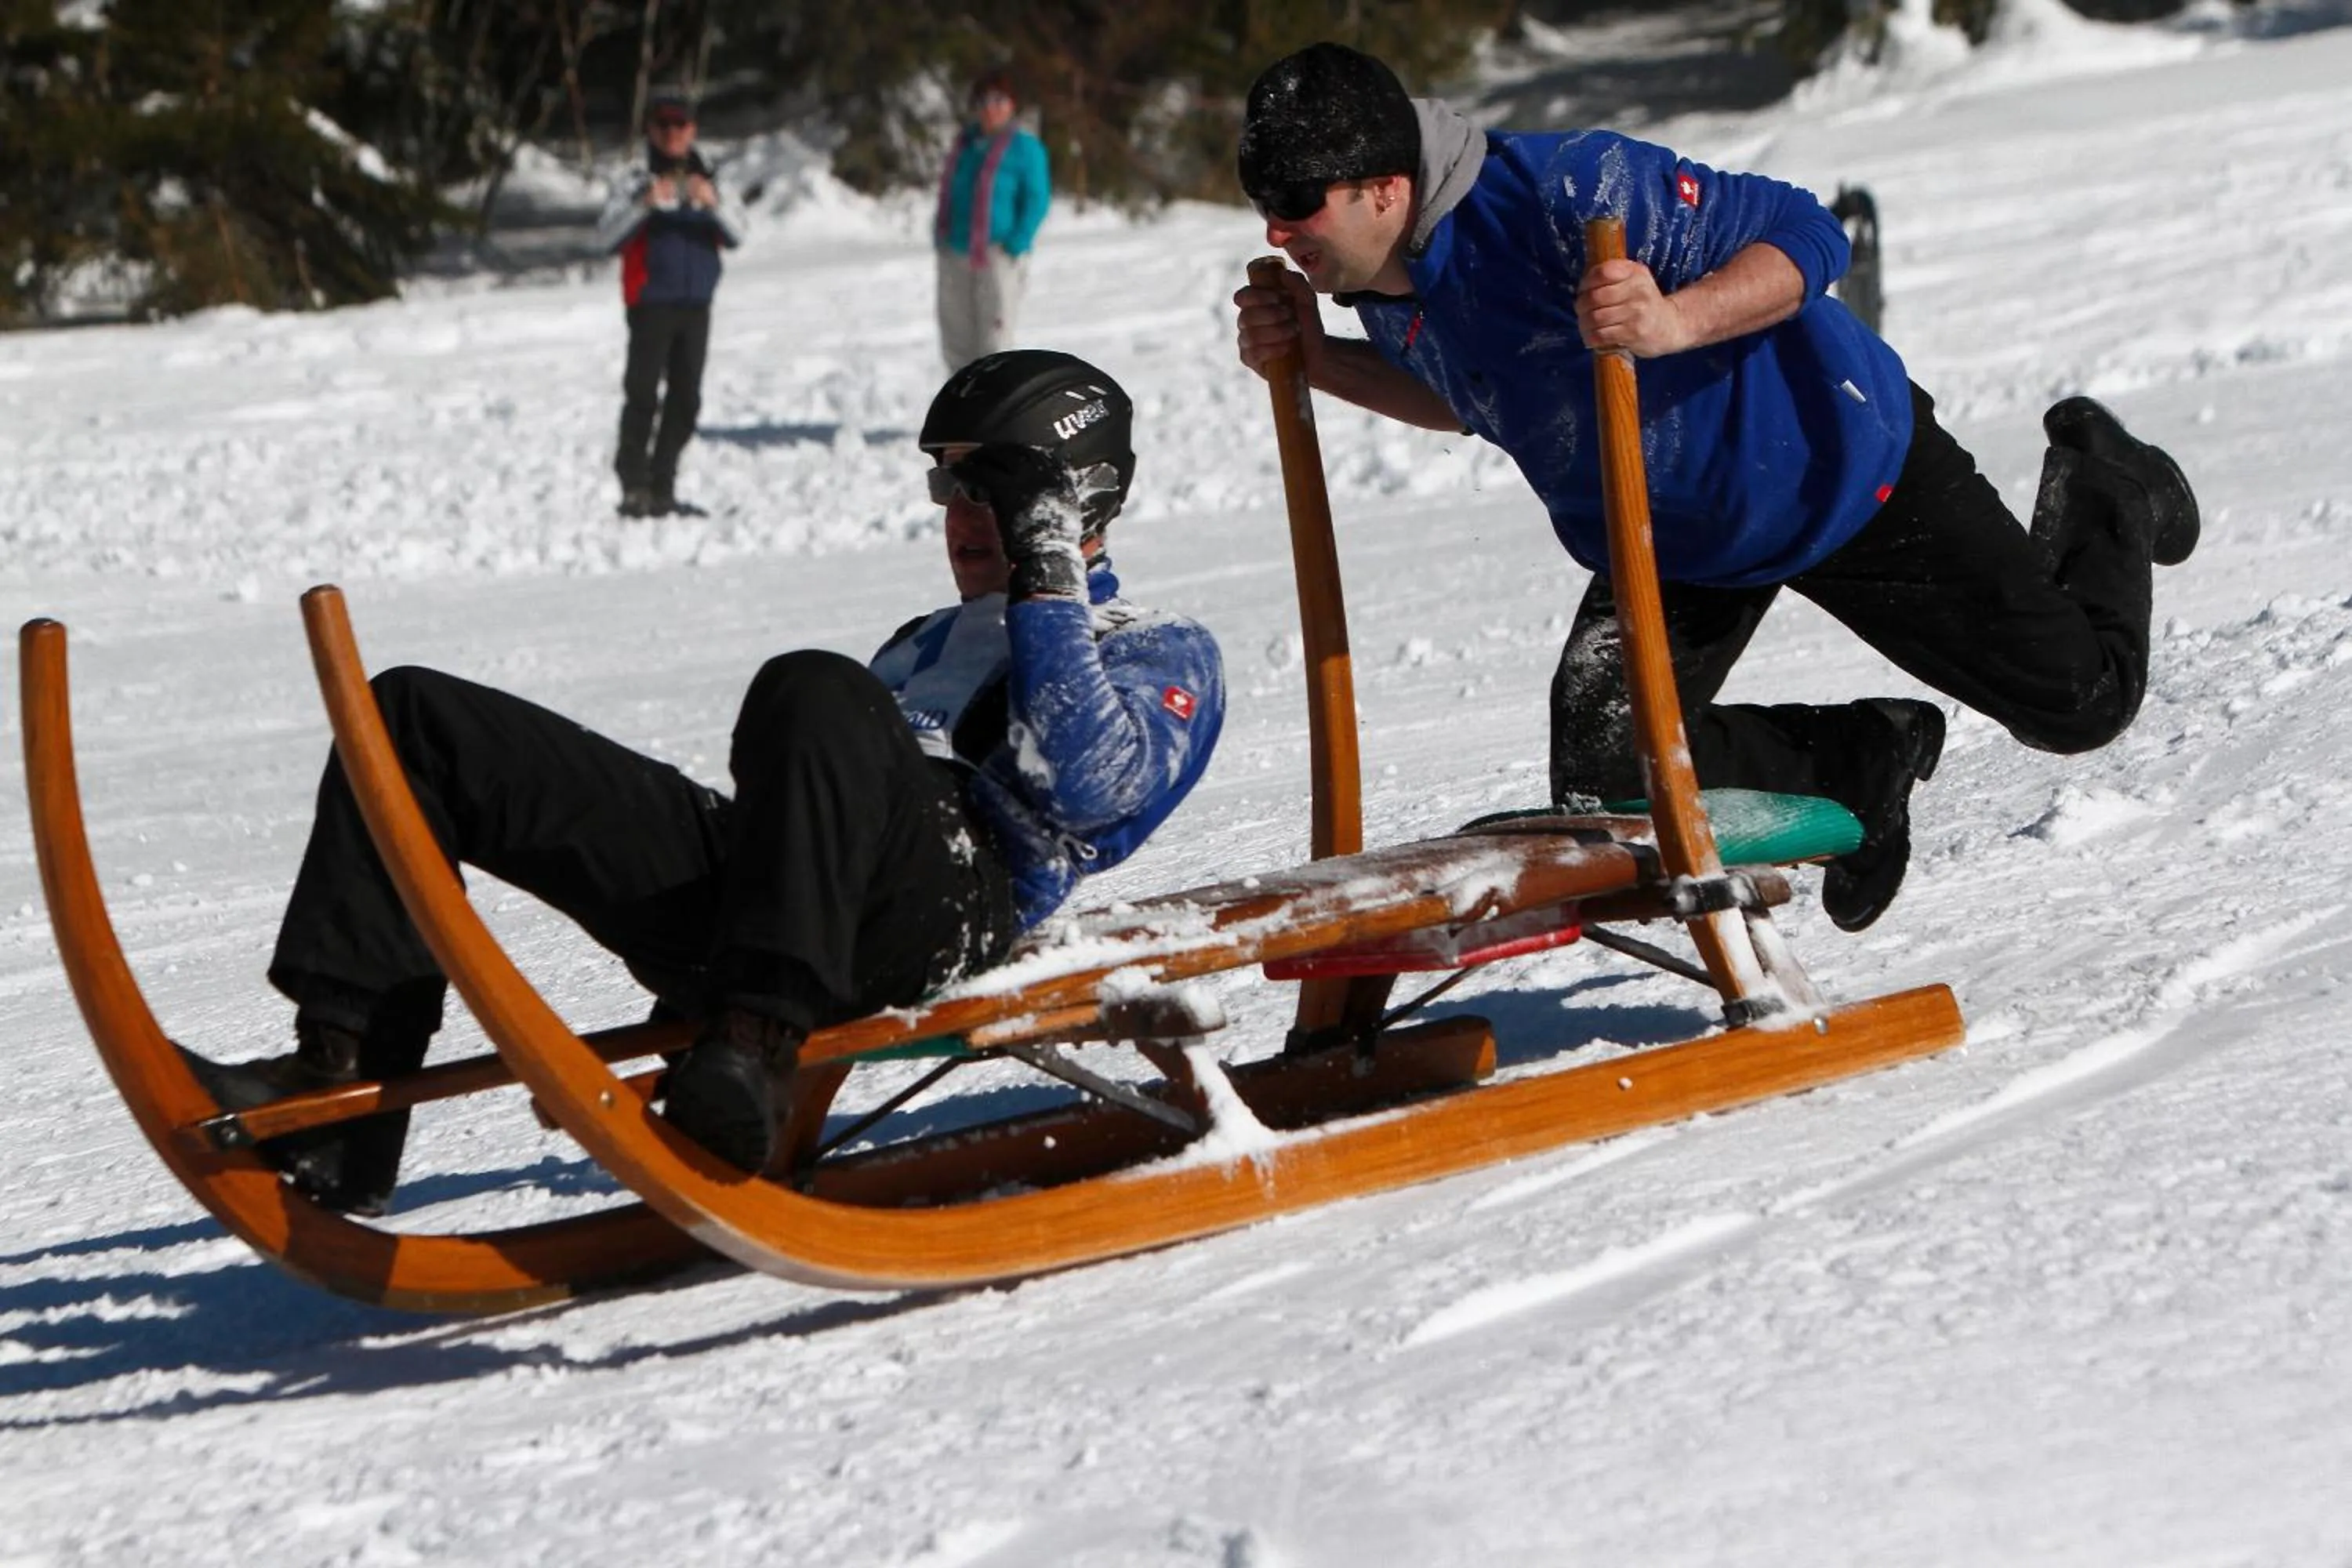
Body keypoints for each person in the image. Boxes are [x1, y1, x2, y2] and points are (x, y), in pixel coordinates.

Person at [182, 351, 1225, 1213]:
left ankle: (755, 1051)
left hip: (946, 908)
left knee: (811, 687)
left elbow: (1089, 786)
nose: (961, 510)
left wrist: (1049, 575)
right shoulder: (920, 642)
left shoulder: (1161, 646)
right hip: (786, 899)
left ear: (1073, 495)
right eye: (948, 482)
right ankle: (342, 1091)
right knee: (410, 720)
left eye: (991, 484)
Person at [1230, 42, 2197, 934]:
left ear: (1387, 188)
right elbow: (1474, 399)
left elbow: (1809, 234)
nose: (1277, 227)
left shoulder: (1572, 190)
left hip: (1840, 471)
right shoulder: (1389, 283)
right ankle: (1863, 760)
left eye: (1298, 199)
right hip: (1666, 535)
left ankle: (2107, 485)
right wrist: (1317, 360)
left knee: (2082, 703)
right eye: (1261, 199)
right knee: (1610, 775)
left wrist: (1677, 319)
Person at [593, 87, 748, 518]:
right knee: (642, 394)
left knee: (687, 400)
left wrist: (712, 204)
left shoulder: (710, 173)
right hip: (650, 301)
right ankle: (633, 486)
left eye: (679, 125)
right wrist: (645, 205)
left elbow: (739, 233)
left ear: (692, 129)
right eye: (663, 125)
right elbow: (606, 237)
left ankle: (662, 485)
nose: (672, 134)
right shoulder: (634, 177)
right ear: (650, 129)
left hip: (697, 303)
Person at [933, 67, 1051, 374]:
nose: (991, 108)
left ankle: (995, 414)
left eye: (1000, 100)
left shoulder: (1025, 149)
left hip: (998, 253)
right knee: (956, 337)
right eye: (985, 101)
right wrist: (941, 234)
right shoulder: (965, 146)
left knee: (994, 338)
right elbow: (950, 192)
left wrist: (1018, 241)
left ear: (1011, 105)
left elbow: (1036, 199)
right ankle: (961, 410)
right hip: (956, 251)